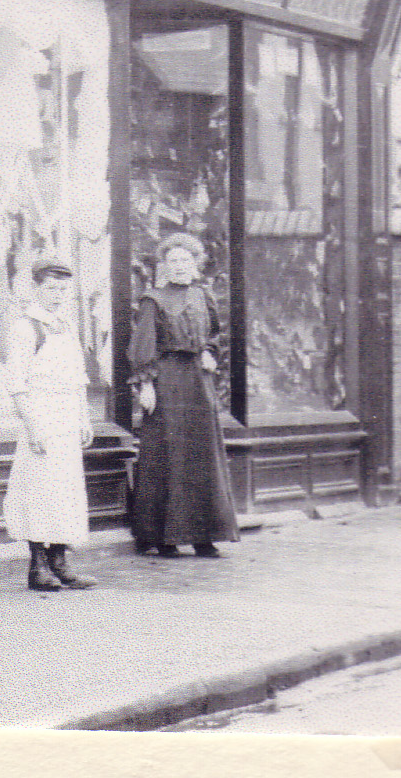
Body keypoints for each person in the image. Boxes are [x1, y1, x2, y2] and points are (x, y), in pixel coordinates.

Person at [127, 232, 240, 559]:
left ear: (196, 264)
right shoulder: (153, 300)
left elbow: (215, 335)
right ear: (163, 265)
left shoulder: (204, 296)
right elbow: (143, 345)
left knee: (202, 455)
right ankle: (166, 537)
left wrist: (210, 352)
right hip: (168, 381)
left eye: (185, 260)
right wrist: (145, 384)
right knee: (170, 456)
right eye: (172, 261)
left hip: (198, 381)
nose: (179, 267)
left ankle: (205, 535)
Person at [2, 257, 98, 591]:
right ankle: (37, 566)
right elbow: (16, 384)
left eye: (63, 289)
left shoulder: (66, 327)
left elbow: (77, 379)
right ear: (35, 288)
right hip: (41, 416)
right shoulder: (25, 327)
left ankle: (60, 560)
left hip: (67, 418)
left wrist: (84, 418)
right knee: (38, 489)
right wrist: (32, 426)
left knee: (65, 490)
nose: (57, 295)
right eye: (50, 288)